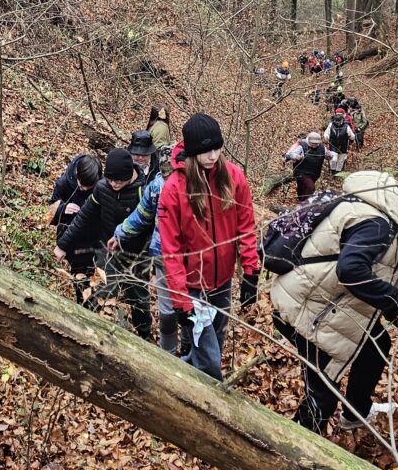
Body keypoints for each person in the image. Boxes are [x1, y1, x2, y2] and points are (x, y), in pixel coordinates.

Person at [271, 170, 398, 434]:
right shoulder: (378, 223)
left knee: (377, 344)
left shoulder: (396, 222)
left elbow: (376, 274)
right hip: (307, 309)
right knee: (323, 394)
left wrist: (394, 313)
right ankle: (293, 445)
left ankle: (356, 412)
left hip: (328, 302)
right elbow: (351, 270)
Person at [157, 114, 260, 380]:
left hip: (223, 280)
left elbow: (246, 225)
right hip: (193, 285)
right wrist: (181, 301)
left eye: (216, 148)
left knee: (216, 337)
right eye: (205, 151)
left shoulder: (234, 177)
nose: (213, 156)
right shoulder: (174, 189)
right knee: (207, 355)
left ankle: (187, 373)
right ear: (192, 152)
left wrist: (250, 271)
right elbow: (171, 249)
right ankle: (204, 393)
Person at [55, 148, 152, 338]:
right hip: (107, 252)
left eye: (119, 181)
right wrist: (63, 245)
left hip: (136, 255)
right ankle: (96, 333)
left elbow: (152, 227)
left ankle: (145, 336)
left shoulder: (143, 192)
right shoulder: (102, 188)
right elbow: (83, 217)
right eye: (110, 180)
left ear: (130, 176)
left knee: (138, 298)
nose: (114, 184)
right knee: (100, 292)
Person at [109, 145, 191, 356]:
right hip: (164, 256)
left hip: (188, 259)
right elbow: (142, 215)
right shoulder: (156, 187)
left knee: (186, 307)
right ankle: (170, 353)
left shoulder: (193, 188)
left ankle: (186, 351)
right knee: (169, 310)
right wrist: (120, 233)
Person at [47, 153, 102, 303]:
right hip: (69, 240)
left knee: (91, 280)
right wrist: (62, 209)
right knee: (79, 278)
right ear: (77, 171)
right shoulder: (64, 183)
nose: (82, 189)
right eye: (81, 184)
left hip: (92, 241)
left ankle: (89, 306)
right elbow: (48, 213)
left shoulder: (101, 187)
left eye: (87, 187)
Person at [285, 131, 327, 199]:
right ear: (309, 141)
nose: (314, 145)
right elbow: (291, 154)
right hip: (301, 171)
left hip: (315, 172)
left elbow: (330, 156)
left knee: (303, 187)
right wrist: (296, 156)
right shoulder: (302, 146)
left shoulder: (323, 148)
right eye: (312, 143)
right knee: (310, 187)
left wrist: (330, 156)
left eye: (316, 143)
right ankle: (305, 203)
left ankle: (301, 200)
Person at [324, 108, 356, 173]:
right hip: (333, 144)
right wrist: (326, 137)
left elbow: (352, 136)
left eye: (339, 120)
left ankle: (338, 172)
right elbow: (326, 133)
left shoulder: (346, 126)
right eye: (336, 120)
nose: (338, 122)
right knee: (334, 159)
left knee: (341, 160)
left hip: (343, 145)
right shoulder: (331, 125)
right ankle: (333, 171)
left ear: (342, 120)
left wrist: (351, 138)